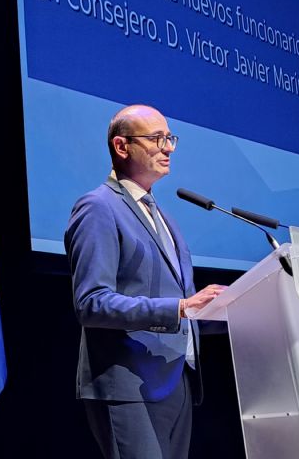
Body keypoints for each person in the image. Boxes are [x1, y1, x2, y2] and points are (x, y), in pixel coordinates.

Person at [64, 105, 226, 459]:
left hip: (175, 382)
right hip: (128, 386)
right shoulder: (98, 208)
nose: (168, 147)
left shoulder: (164, 216)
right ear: (122, 147)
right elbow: (91, 302)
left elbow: (181, 303)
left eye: (169, 138)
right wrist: (179, 308)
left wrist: (231, 311)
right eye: (156, 139)